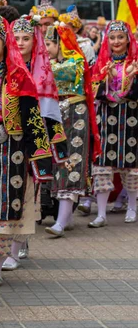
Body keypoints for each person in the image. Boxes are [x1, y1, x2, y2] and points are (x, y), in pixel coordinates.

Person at [0, 14, 53, 290]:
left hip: (12, 150)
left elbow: (32, 118)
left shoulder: (19, 76)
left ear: (6, 43)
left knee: (5, 206)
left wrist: (40, 158)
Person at [10, 16, 67, 260]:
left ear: (35, 42)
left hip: (34, 139)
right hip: (6, 139)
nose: (21, 43)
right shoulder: (2, 67)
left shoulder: (42, 72)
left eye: (26, 38)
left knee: (26, 192)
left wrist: (59, 151)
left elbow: (51, 111)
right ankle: (5, 246)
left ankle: (18, 242)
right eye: (17, 38)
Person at [43, 25, 99, 236]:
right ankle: (62, 219)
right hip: (55, 115)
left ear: (61, 44)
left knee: (71, 163)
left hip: (75, 115)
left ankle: (61, 221)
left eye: (49, 44)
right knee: (55, 165)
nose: (46, 49)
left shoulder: (75, 61)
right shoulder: (51, 63)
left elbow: (51, 73)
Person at [89, 20, 138, 226]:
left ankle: (133, 207)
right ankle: (101, 213)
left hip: (131, 118)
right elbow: (93, 91)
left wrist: (133, 78)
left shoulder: (135, 64)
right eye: (112, 38)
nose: (116, 41)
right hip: (106, 120)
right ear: (107, 40)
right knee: (102, 165)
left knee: (131, 165)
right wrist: (104, 81)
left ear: (128, 39)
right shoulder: (100, 65)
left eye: (120, 37)